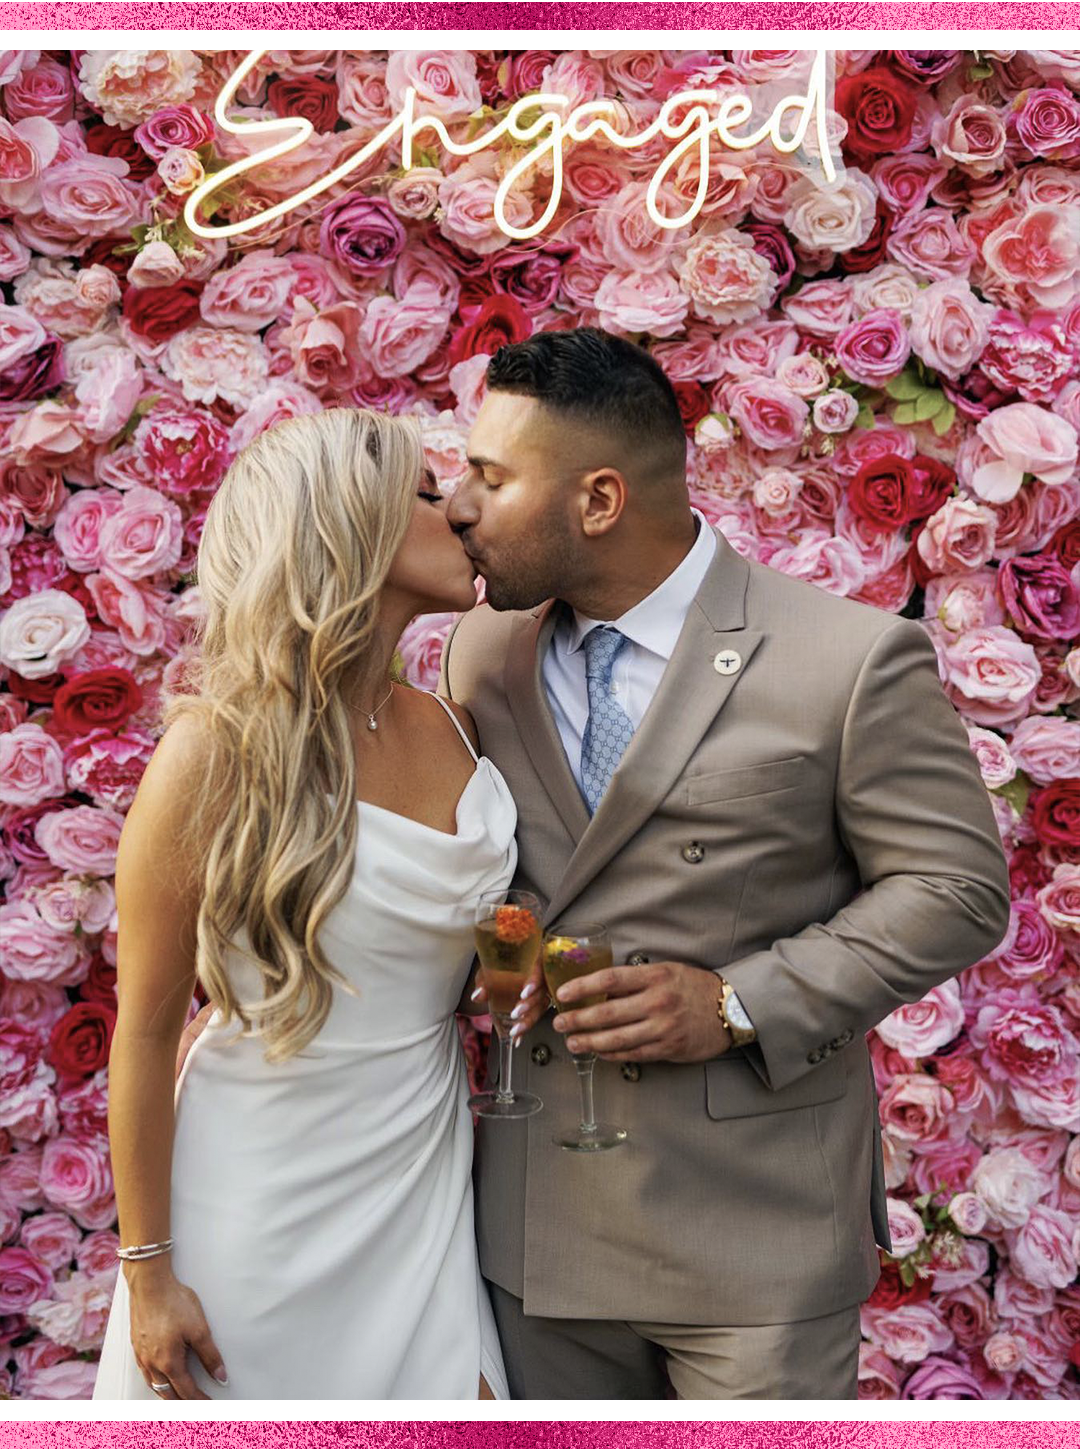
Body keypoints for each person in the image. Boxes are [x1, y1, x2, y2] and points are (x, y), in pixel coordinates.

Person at [437, 326, 1013, 1399]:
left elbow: (958, 889)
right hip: (537, 1242)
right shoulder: (483, 654)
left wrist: (737, 1001)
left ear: (598, 501)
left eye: (489, 476)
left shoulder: (845, 659)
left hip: (757, 1245)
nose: (458, 506)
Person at [92, 406, 547, 1401]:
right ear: (355, 530)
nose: (462, 514)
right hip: (253, 1197)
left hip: (418, 1186)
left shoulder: (460, 725)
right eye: (429, 498)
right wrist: (149, 1271)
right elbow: (144, 1031)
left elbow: (476, 954)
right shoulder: (213, 753)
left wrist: (515, 982)